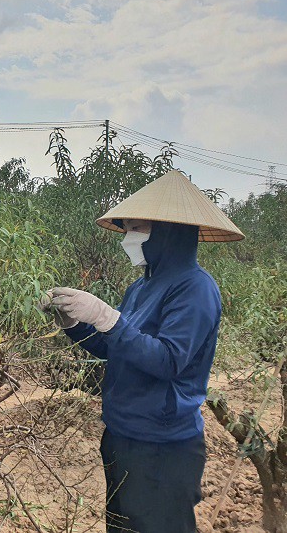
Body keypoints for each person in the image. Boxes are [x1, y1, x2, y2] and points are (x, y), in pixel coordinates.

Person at [49, 170, 244, 533]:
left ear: (166, 232)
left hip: (162, 446)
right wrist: (75, 324)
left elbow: (168, 360)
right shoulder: (141, 288)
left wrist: (106, 316)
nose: (129, 238)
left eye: (137, 228)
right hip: (124, 435)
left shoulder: (195, 289)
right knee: (123, 526)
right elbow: (113, 347)